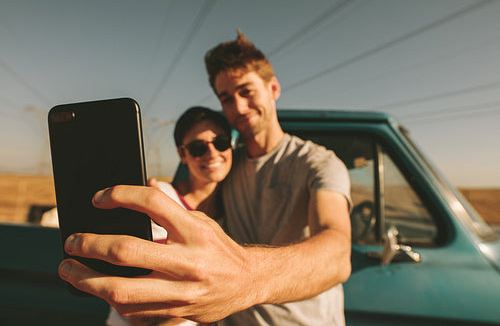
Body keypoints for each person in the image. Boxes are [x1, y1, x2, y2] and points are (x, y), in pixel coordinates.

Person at [57, 30, 352, 325]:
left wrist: (244, 278)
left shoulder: (317, 162)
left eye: (246, 91)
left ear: (273, 87)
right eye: (226, 98)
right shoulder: (225, 169)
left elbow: (336, 252)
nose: (238, 107)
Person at [107, 106, 233, 326]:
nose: (212, 153)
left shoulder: (234, 210)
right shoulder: (161, 199)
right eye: (197, 148)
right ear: (182, 155)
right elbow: (138, 298)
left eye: (221, 142)